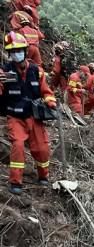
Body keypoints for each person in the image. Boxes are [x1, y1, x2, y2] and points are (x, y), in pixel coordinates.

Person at [0, 32, 57, 195]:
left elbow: (47, 91)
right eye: (12, 51)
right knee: (18, 145)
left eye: (18, 50)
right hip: (15, 117)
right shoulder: (4, 72)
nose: (16, 54)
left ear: (25, 50)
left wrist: (50, 101)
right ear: (9, 54)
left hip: (34, 116)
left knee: (42, 149)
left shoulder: (36, 71)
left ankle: (43, 176)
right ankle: (15, 182)